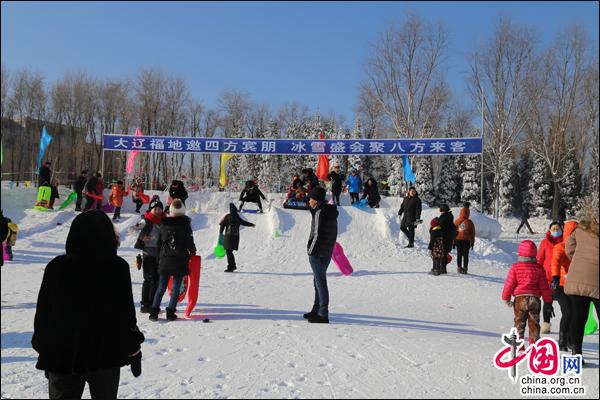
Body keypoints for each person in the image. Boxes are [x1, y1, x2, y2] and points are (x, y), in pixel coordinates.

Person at [32, 210, 144, 399]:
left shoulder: (57, 266)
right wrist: (133, 349)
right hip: (105, 356)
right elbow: (125, 316)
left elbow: (44, 315)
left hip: (63, 355)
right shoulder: (117, 268)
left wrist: (45, 349)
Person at [149, 199, 196, 322]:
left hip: (165, 259)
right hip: (180, 260)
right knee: (176, 288)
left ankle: (154, 312)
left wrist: (159, 259)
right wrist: (193, 251)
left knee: (161, 287)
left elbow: (159, 243)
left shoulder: (164, 224)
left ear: (171, 210)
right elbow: (189, 242)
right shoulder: (186, 225)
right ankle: (170, 313)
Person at [502, 240, 554, 350]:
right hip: (534, 299)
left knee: (519, 322)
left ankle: (519, 347)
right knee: (534, 323)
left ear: (520, 253)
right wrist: (548, 301)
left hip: (520, 299)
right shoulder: (539, 268)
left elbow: (509, 284)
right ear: (535, 253)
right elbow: (544, 287)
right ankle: (534, 346)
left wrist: (506, 298)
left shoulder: (515, 267)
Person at [564, 201, 598, 364]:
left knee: (579, 317)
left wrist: (578, 261)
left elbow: (569, 248)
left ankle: (576, 353)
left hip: (577, 278)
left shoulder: (580, 229)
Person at [304, 186, 338, 324]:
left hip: (317, 252)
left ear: (316, 200)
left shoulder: (320, 212)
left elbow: (317, 233)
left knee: (320, 282)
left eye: (310, 199)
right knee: (317, 281)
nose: (309, 201)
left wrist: (310, 250)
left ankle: (323, 313)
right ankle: (316, 309)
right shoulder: (329, 211)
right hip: (327, 250)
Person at [548, 221, 577, 349]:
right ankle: (562, 340)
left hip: (575, 285)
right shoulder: (560, 247)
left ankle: (571, 339)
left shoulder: (580, 248)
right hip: (560, 284)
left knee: (575, 313)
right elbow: (555, 262)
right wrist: (555, 277)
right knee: (568, 312)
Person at [134, 200, 164, 313]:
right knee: (149, 279)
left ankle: (153, 304)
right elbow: (132, 229)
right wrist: (141, 237)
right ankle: (144, 304)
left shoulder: (163, 221)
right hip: (147, 253)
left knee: (157, 280)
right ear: (151, 209)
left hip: (159, 254)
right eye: (155, 209)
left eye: (159, 209)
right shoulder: (145, 220)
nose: (157, 211)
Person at [536, 221, 564, 334]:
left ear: (562, 229)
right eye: (553, 229)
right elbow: (539, 259)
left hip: (562, 278)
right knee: (548, 303)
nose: (556, 231)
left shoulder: (566, 242)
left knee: (565, 305)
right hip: (547, 277)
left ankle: (567, 326)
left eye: (558, 228)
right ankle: (546, 324)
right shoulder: (544, 243)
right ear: (549, 230)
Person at [219, 203, 256, 272]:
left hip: (229, 237)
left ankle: (231, 267)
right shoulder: (237, 217)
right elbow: (244, 222)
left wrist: (221, 233)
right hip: (235, 237)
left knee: (229, 252)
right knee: (230, 252)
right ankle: (232, 266)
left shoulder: (227, 216)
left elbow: (222, 225)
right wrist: (251, 224)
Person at [454, 205, 476, 274]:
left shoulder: (456, 221)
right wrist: (472, 241)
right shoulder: (469, 222)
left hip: (457, 239)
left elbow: (453, 231)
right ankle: (465, 268)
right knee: (466, 255)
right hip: (466, 240)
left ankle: (459, 268)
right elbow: (472, 233)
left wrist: (453, 241)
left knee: (459, 254)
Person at [437, 204, 457, 275]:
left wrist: (438, 220)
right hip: (449, 238)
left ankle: (442, 268)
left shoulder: (444, 217)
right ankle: (443, 267)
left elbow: (441, 226)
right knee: (444, 253)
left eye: (441, 210)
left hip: (444, 237)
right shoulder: (450, 217)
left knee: (443, 253)